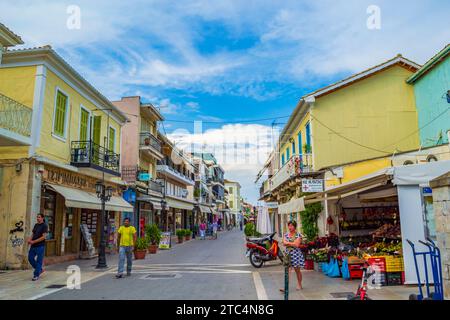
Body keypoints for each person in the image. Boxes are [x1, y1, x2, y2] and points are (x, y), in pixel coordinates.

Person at [280, 221, 304, 292]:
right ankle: (285, 287)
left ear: (295, 226)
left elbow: (297, 245)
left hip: (296, 254)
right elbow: (284, 243)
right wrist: (292, 243)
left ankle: (299, 284)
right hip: (288, 255)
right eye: (289, 226)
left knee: (297, 271)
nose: (290, 227)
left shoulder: (298, 235)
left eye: (291, 226)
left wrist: (288, 243)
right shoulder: (286, 234)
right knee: (288, 271)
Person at [27, 213, 48, 281]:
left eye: (39, 217)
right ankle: (40, 270)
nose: (37, 218)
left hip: (40, 246)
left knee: (39, 261)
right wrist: (30, 239)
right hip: (33, 246)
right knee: (30, 258)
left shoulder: (44, 226)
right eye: (37, 217)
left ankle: (36, 275)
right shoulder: (36, 225)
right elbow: (33, 234)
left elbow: (43, 237)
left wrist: (34, 241)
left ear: (42, 218)